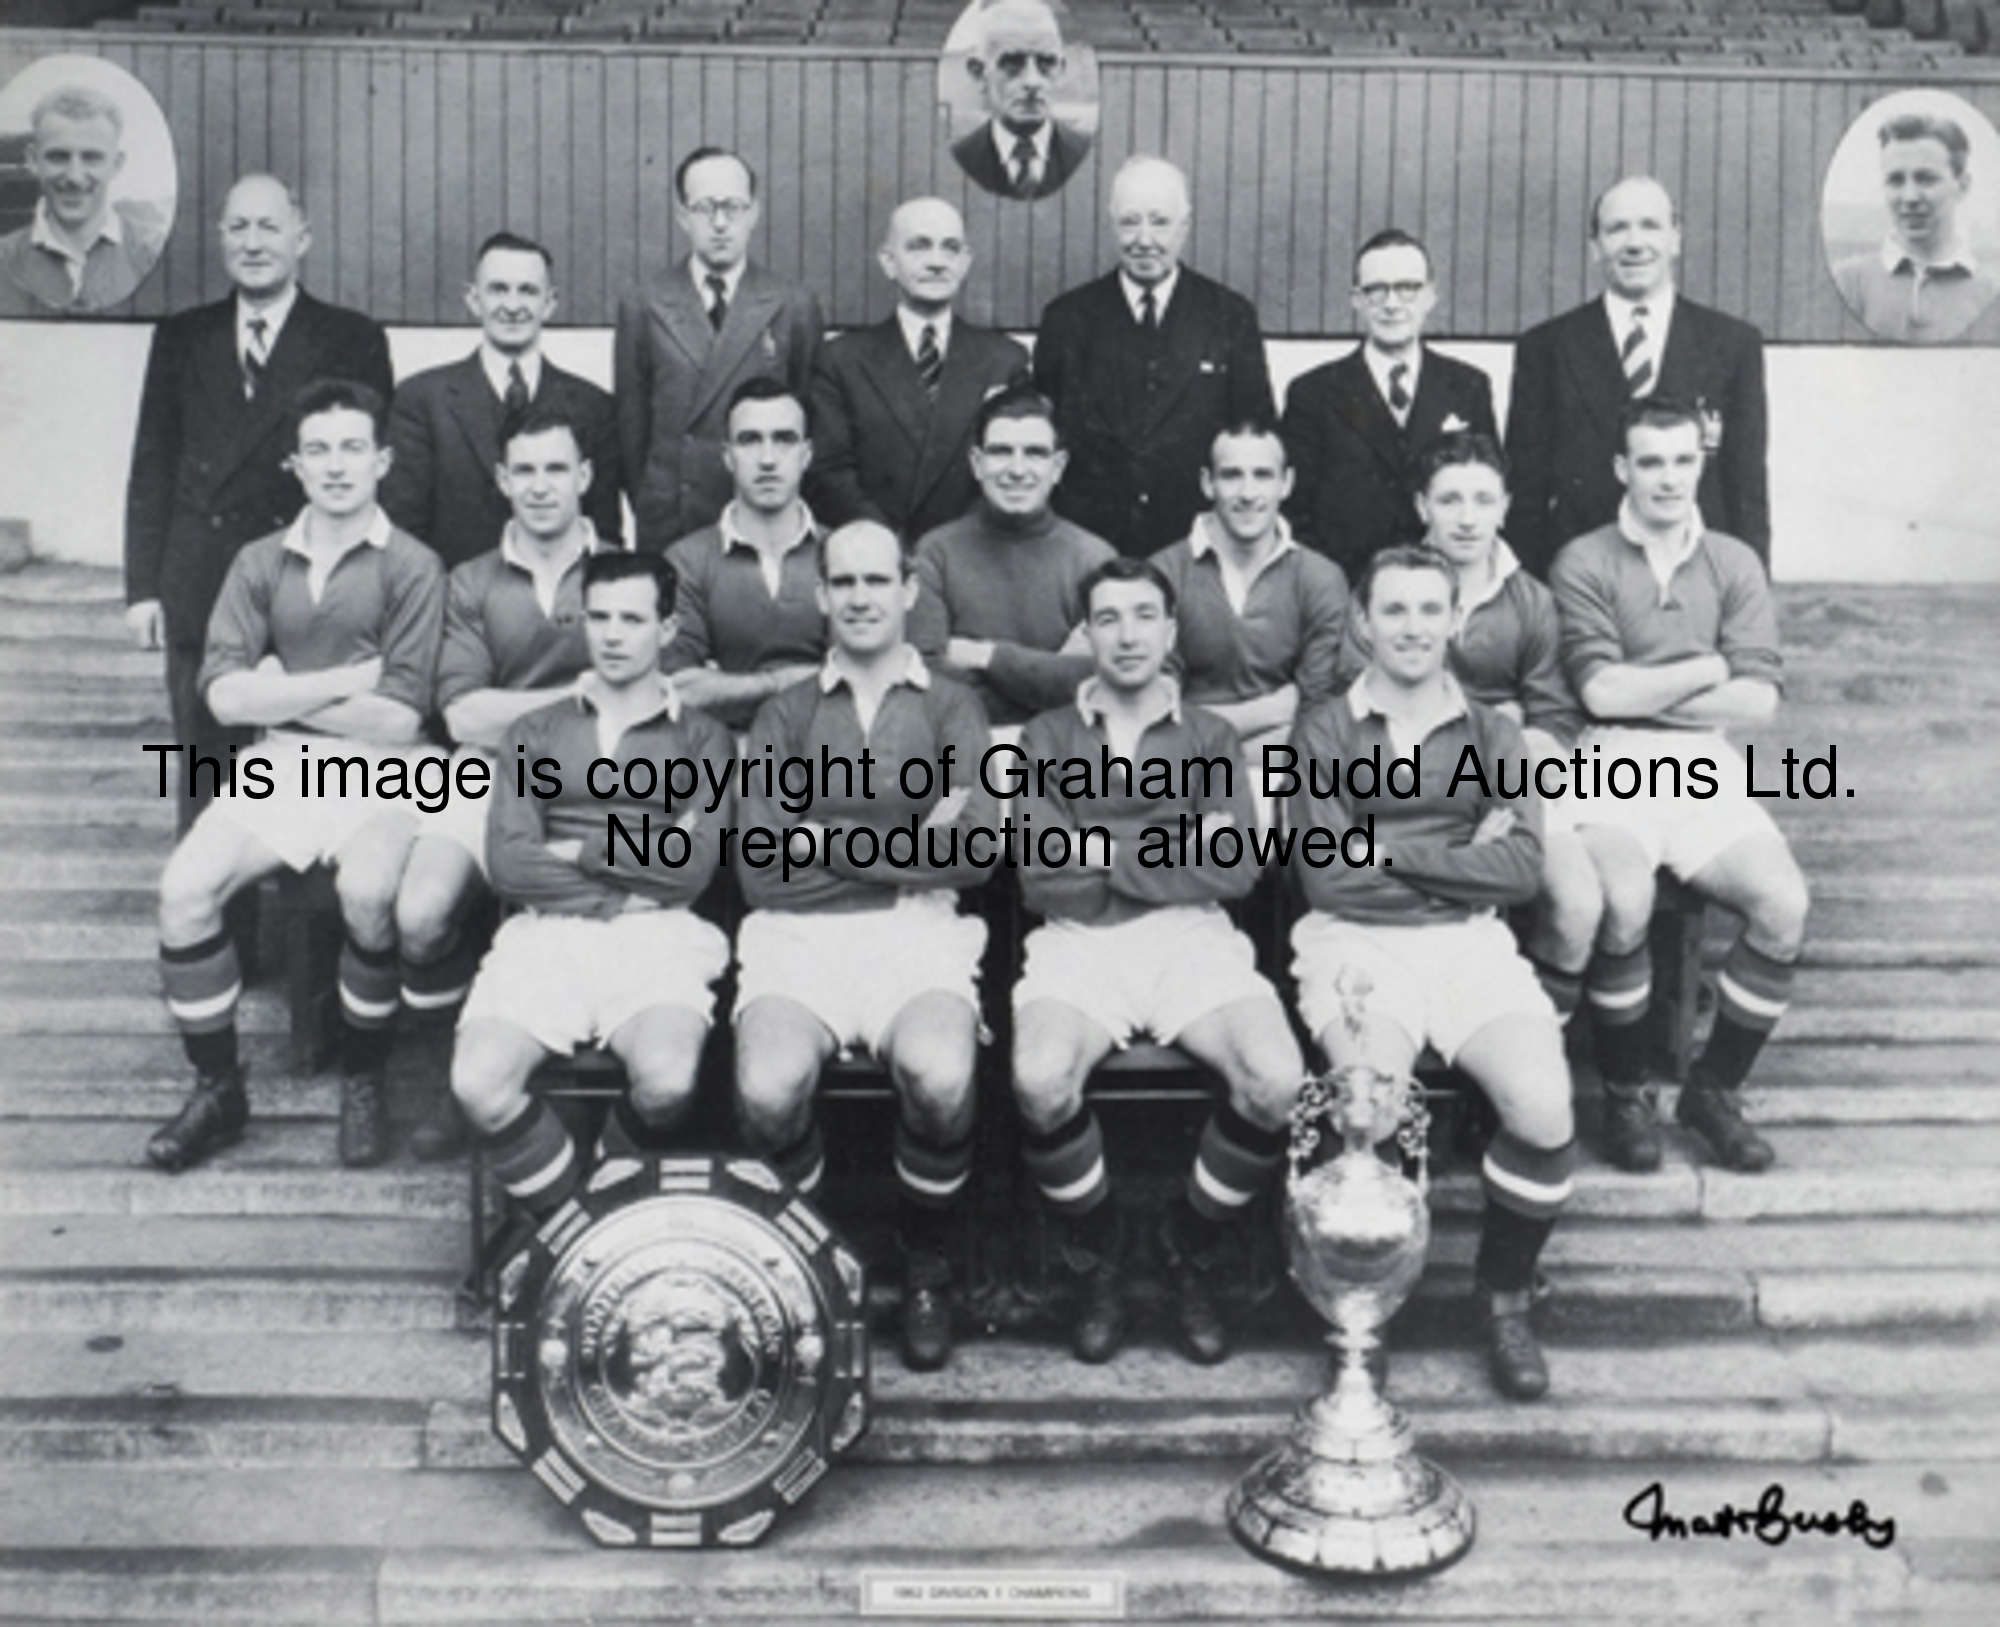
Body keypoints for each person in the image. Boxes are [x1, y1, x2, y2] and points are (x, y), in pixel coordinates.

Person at [1288, 544, 1574, 1400]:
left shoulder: (1495, 731)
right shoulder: (1326, 728)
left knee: (1543, 1103)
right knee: (1366, 1104)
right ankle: (1357, 1306)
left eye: (1429, 610)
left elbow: (1522, 867)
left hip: (1468, 941)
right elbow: (1325, 874)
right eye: (1395, 611)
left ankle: (1504, 1294)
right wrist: (1454, 849)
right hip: (1352, 940)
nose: (1413, 627)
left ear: (1457, 620)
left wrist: (1377, 844)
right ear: (1364, 624)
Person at [1010, 557, 1306, 1367]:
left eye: (1145, 615)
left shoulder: (1210, 734)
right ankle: (1101, 1250)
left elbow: (1236, 866)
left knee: (1276, 1081)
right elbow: (1043, 875)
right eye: (1108, 618)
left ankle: (1188, 1243)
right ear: (1088, 634)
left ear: (1172, 631)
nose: (1129, 634)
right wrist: (1173, 842)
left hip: (1192, 936)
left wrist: (1098, 844)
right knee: (1039, 1080)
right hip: (1080, 943)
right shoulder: (1047, 736)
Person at [148, 379, 445, 1176]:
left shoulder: (415, 565)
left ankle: (364, 1074)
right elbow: (222, 694)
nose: (337, 465)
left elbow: (403, 719)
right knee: (184, 890)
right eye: (319, 450)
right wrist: (344, 682)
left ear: (381, 460)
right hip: (280, 761)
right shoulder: (257, 561)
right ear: (295, 464)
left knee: (370, 894)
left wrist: (280, 686)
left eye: (353, 448)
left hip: (391, 772)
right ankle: (219, 1088)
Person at [733, 520, 999, 1372]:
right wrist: (905, 846)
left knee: (942, 1074)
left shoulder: (955, 703)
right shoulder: (785, 709)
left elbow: (977, 849)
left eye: (875, 581)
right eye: (842, 582)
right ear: (821, 596)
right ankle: (813, 1263)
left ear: (908, 590)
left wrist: (823, 841)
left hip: (918, 934)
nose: (859, 597)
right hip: (796, 938)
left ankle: (926, 1257)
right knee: (769, 1089)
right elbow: (761, 866)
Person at [1551, 398, 1810, 1177]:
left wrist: (1653, 685)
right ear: (1623, 469)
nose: (1668, 478)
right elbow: (1600, 695)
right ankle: (1626, 1091)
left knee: (1784, 905)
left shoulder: (1733, 561)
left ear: (1702, 461)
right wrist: (1707, 666)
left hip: (1702, 761)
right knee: (1623, 903)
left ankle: (1713, 1089)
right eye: (1651, 462)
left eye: (1683, 460)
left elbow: (1758, 701)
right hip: (1608, 759)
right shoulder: (1584, 559)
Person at [450, 551, 736, 1224]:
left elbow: (691, 866)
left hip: (659, 935)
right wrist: (620, 891)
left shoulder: (705, 739)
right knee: (478, 1082)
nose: (611, 634)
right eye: (598, 616)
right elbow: (511, 861)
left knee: (667, 1079)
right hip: (546, 933)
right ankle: (576, 1228)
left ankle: (588, 1221)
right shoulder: (535, 729)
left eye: (632, 619)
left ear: (666, 630)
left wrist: (580, 847)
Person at [123, 173, 394, 833]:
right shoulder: (182, 335)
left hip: (307, 580)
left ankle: (299, 935)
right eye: (238, 227)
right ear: (220, 240)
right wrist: (142, 589)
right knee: (207, 776)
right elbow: (153, 463)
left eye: (268, 227)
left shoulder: (350, 336)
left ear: (301, 239)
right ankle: (213, 931)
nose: (253, 243)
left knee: (309, 775)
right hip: (201, 583)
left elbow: (370, 470)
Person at [391, 406, 623, 1161]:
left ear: (585, 476)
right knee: (421, 909)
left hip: (600, 783)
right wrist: (582, 696)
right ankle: (445, 1074)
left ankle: (591, 1107)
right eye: (525, 470)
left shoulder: (629, 573)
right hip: (487, 776)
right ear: (501, 479)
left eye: (558, 468)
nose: (541, 486)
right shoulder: (469, 579)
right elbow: (464, 715)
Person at [1339, 432, 1601, 1027]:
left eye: (1483, 501)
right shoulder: (1386, 587)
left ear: (1506, 506)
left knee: (1579, 903)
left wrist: (1515, 757)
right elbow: (1352, 698)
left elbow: (1554, 716)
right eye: (1450, 500)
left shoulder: (1531, 600)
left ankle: (1531, 1043)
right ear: (1421, 507)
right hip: (1400, 785)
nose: (1466, 518)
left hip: (1510, 785)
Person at [1504, 176, 1769, 576]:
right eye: (1617, 228)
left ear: (1675, 239)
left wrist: (1751, 589)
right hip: (1581, 580)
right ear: (1595, 246)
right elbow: (1525, 491)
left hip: (1695, 576)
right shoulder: (1546, 348)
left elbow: (1747, 485)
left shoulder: (1732, 344)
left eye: (1650, 226)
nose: (1634, 243)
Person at [1032, 155, 1274, 557]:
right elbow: (1045, 436)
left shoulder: (1229, 316)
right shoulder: (1067, 319)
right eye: (1130, 222)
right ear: (1111, 224)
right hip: (1091, 546)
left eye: (1160, 222)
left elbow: (1255, 432)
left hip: (1195, 547)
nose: (1144, 239)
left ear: (1185, 226)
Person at [615, 146, 823, 551]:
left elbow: (806, 417)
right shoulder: (644, 302)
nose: (721, 223)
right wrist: (655, 497)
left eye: (733, 207)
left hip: (761, 516)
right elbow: (631, 426)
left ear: (755, 213)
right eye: (705, 208)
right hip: (673, 519)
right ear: (682, 216)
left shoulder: (793, 304)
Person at [381, 231, 622, 567]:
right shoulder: (421, 400)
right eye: (498, 289)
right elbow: (404, 531)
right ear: (473, 299)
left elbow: (604, 531)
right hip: (454, 603)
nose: (512, 306)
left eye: (527, 291)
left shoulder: (593, 406)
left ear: (549, 303)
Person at [807, 196, 1029, 540]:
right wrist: (886, 544)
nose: (937, 262)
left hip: (973, 551)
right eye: (919, 247)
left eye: (950, 248)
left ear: (966, 262)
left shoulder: (1005, 360)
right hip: (876, 556)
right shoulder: (841, 360)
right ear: (888, 262)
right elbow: (830, 472)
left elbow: (1012, 470)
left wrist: (953, 548)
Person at [1279, 229, 1497, 577]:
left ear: (1430, 296)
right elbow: (1296, 510)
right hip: (1348, 588)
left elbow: (1486, 492)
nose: (1392, 304)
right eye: (1376, 289)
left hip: (1443, 587)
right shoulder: (1313, 393)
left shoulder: (1468, 387)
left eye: (1407, 288)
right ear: (1356, 300)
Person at [908, 385, 1114, 729]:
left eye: (1034, 453)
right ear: (977, 464)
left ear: (1058, 466)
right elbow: (927, 682)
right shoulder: (935, 553)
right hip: (965, 752)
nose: (1017, 470)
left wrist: (986, 657)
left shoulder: (1093, 559)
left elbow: (1107, 680)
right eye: (1001, 452)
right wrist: (1050, 677)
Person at [1149, 420, 1348, 766]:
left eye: (1262, 475)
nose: (1247, 493)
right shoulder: (1162, 573)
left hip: (1286, 778)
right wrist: (1271, 711)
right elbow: (1157, 711)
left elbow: (1315, 714)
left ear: (1286, 483)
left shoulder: (1321, 578)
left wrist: (1212, 737)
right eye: (1231, 476)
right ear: (1207, 483)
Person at [661, 379, 829, 732]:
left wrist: (726, 685)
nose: (767, 459)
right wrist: (781, 682)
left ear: (806, 455)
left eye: (784, 440)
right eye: (750, 440)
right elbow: (677, 688)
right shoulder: (686, 562)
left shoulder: (843, 553)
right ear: (727, 456)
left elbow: (862, 676)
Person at [1833, 112, 2000, 345]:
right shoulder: (1847, 283)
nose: (1910, 197)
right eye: (1896, 180)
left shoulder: (1990, 291)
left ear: (1962, 187)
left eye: (1926, 179)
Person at [0, 83, 167, 316]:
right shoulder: (4, 257)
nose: (74, 177)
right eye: (58, 157)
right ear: (32, 160)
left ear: (116, 164)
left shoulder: (151, 254)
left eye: (91, 157)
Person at [949, 0, 1091, 201]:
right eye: (1012, 63)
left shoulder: (1085, 155)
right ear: (979, 73)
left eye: (1046, 63)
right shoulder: (961, 158)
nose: (1032, 82)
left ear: (1061, 70)